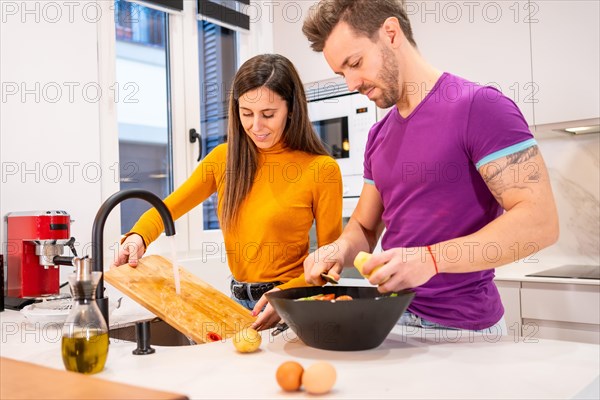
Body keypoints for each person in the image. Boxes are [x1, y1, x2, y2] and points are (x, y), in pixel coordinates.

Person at [301, 0, 559, 332]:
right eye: (342, 73)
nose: (351, 83)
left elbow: (541, 221)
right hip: (392, 320)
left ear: (391, 33)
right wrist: (338, 249)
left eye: (355, 63)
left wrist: (431, 260)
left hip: (465, 332)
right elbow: (365, 229)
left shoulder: (480, 106)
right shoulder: (379, 135)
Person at [112, 54, 343, 330]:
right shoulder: (223, 160)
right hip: (235, 305)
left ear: (291, 109)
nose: (256, 126)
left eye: (268, 114)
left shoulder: (321, 170)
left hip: (289, 306)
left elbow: (330, 264)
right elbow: (167, 209)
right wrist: (138, 237)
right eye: (246, 113)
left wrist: (288, 296)